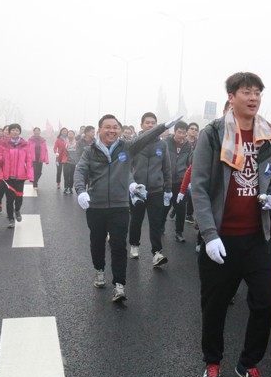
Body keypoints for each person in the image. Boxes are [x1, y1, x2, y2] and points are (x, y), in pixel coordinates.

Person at [192, 72, 271, 377]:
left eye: (258, 92)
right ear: (231, 97)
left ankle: (248, 363)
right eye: (247, 91)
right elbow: (199, 187)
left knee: (266, 303)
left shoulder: (267, 135)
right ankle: (212, 361)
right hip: (221, 238)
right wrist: (209, 234)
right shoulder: (214, 134)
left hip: (256, 237)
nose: (253, 97)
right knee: (215, 306)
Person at [74, 113, 180, 302]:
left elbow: (146, 137)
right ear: (99, 130)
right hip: (96, 206)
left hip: (120, 206)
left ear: (120, 130)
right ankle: (99, 270)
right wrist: (81, 191)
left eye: (115, 127)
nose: (112, 130)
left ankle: (119, 285)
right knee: (97, 242)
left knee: (118, 245)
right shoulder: (90, 151)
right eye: (108, 127)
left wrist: (163, 126)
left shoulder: (126, 147)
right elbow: (80, 171)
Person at [128, 112, 172, 267]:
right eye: (147, 122)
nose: (151, 125)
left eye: (153, 122)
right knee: (136, 220)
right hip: (138, 191)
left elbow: (166, 168)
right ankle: (134, 245)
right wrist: (132, 185)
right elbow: (126, 168)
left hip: (156, 191)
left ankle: (157, 253)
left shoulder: (162, 145)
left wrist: (168, 189)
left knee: (156, 222)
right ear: (141, 125)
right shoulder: (134, 144)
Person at [164, 121, 192, 243]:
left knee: (181, 209)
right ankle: (161, 226)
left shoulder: (188, 146)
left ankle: (179, 232)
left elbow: (190, 162)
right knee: (164, 207)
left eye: (183, 133)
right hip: (167, 180)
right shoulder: (166, 143)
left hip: (181, 181)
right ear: (174, 132)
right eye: (179, 132)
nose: (181, 135)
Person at [0, 123, 34, 228]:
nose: (15, 132)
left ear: (20, 132)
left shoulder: (25, 145)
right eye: (13, 130)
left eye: (17, 130)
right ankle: (11, 219)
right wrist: (0, 174)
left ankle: (17, 210)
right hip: (7, 177)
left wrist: (31, 175)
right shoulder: (3, 145)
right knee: (9, 199)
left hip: (20, 177)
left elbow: (29, 161)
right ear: (9, 132)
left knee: (19, 197)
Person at [0, 125, 10, 213]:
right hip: (0, 169)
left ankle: (10, 212)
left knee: (10, 193)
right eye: (6, 130)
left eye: (9, 130)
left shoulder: (16, 143)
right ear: (3, 131)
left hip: (11, 172)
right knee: (0, 190)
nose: (8, 131)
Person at [62, 130, 78, 194]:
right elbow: (61, 151)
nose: (70, 135)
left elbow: (79, 152)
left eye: (71, 134)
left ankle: (70, 188)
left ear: (74, 135)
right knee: (66, 174)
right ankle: (66, 187)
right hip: (66, 161)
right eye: (69, 134)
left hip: (73, 162)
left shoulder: (77, 143)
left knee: (72, 175)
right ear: (67, 135)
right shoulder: (65, 142)